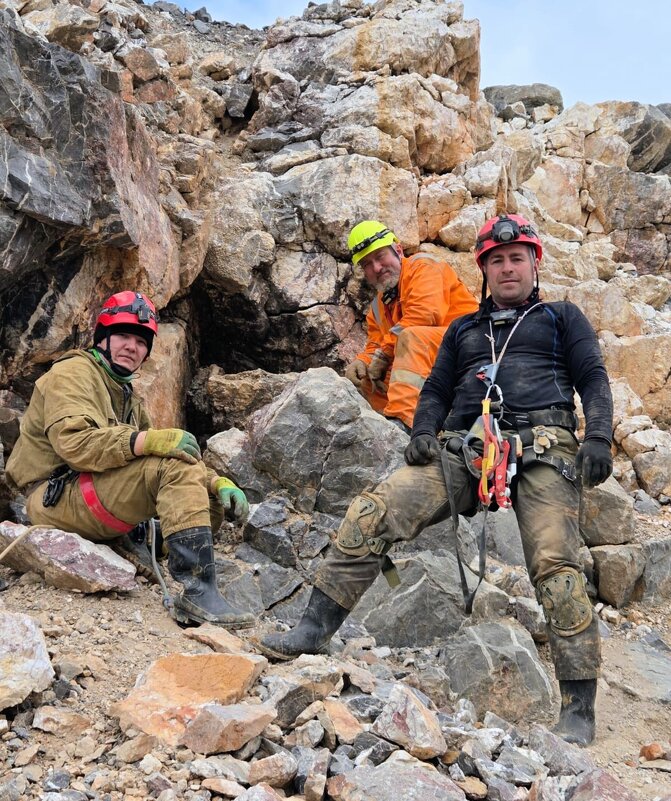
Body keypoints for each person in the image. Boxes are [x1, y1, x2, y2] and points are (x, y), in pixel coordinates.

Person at [260, 214, 614, 746]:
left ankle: (579, 706)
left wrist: (600, 438)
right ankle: (314, 628)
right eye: (496, 261)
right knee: (377, 508)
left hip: (543, 447)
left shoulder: (562, 318)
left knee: (556, 565)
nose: (507, 268)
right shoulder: (464, 330)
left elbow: (592, 378)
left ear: (534, 263)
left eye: (516, 258)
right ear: (484, 271)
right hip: (465, 448)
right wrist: (423, 431)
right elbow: (435, 390)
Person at [6, 291, 255, 630]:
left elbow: (164, 450)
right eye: (123, 335)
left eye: (141, 341)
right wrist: (146, 440)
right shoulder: (73, 374)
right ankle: (199, 595)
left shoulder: (124, 393)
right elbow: (76, 444)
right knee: (171, 469)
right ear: (103, 338)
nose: (131, 347)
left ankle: (151, 547)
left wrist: (216, 481)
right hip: (54, 495)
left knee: (206, 499)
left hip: (91, 489)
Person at [344, 220, 478, 433]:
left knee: (410, 337)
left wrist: (383, 354)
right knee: (368, 376)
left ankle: (403, 423)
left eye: (380, 257)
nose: (376, 268)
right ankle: (379, 427)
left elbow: (424, 315)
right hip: (434, 360)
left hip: (469, 349)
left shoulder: (423, 266)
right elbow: (376, 345)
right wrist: (363, 361)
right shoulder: (378, 307)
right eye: (367, 264)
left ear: (398, 250)